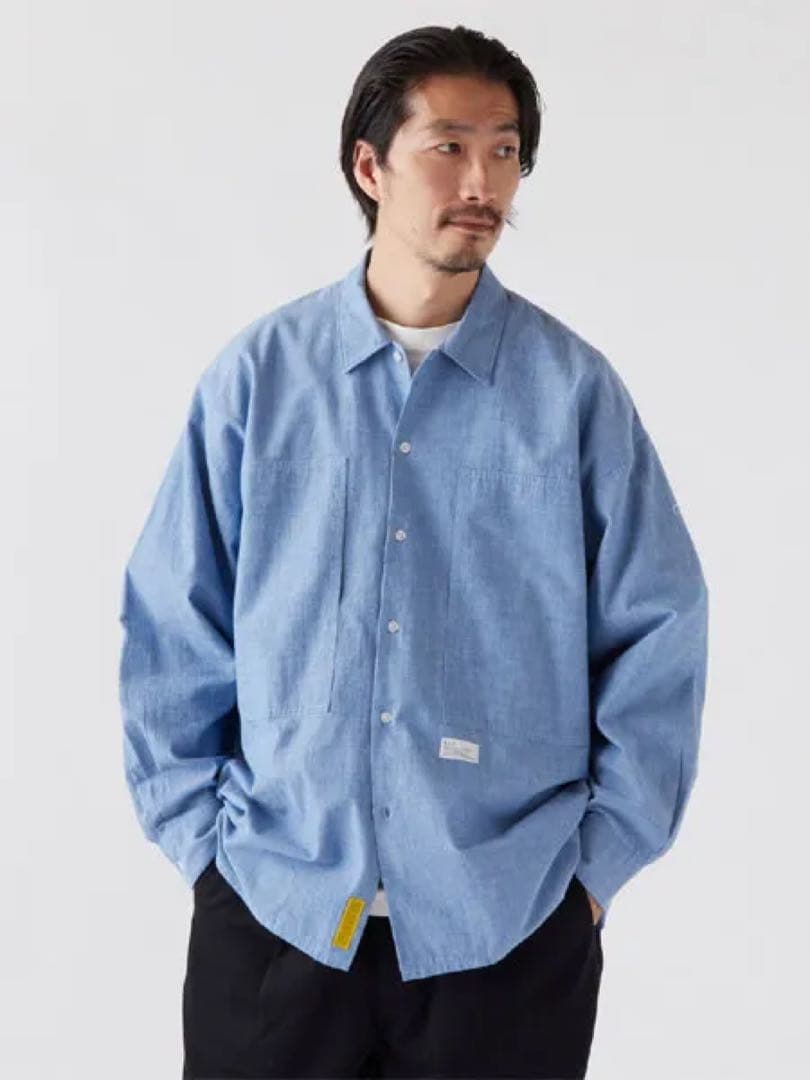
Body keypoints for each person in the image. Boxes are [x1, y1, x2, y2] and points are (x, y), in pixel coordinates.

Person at [118, 23, 709, 1080]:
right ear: (369, 165)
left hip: (509, 929)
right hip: (276, 917)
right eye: (449, 146)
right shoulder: (261, 379)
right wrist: (203, 849)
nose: (483, 181)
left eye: (505, 150)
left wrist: (593, 874)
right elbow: (172, 622)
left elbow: (660, 629)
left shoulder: (574, 396)